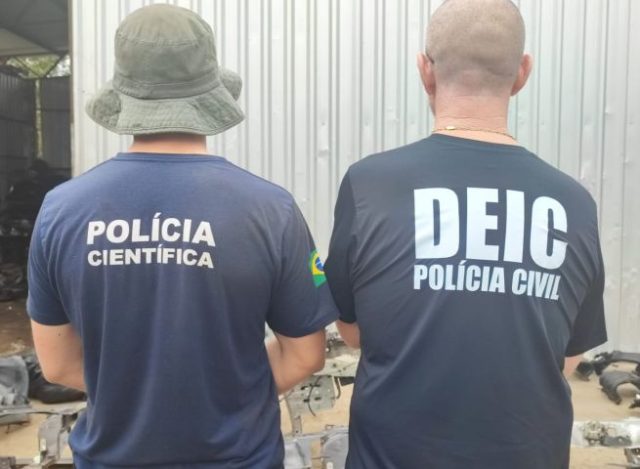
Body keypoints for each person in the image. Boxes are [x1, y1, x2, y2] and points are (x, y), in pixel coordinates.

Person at [27, 5, 337, 468]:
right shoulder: (271, 210)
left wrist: (136, 394)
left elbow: (57, 365)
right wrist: (224, 394)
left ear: (124, 93)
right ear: (209, 92)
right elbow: (305, 354)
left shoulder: (61, 210)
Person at [324, 0, 607, 467]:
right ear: (522, 73)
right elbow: (568, 356)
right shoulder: (574, 202)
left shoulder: (369, 183)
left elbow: (351, 333)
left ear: (425, 70)